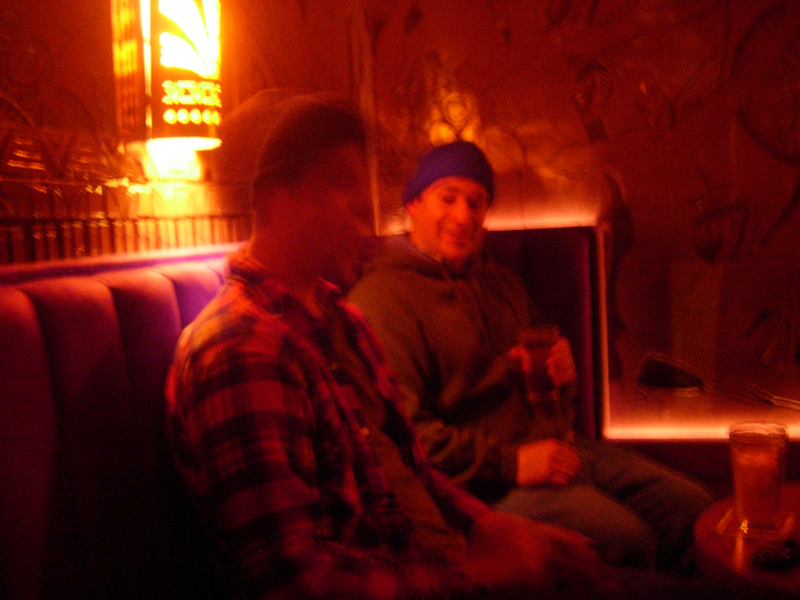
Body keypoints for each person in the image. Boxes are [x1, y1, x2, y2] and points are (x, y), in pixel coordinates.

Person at [165, 94, 613, 600]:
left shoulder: (341, 318)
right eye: (341, 183)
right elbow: (298, 582)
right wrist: (480, 574)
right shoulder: (243, 352)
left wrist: (494, 527)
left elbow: (411, 465)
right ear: (275, 197)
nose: (366, 210)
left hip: (432, 561)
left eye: (365, 189)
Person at [347, 140, 714, 573]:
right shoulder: (382, 300)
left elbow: (550, 389)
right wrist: (511, 464)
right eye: (448, 198)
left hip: (561, 450)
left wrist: (565, 375)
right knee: (626, 538)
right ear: (413, 204)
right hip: (482, 486)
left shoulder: (502, 282)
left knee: (694, 510)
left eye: (476, 202)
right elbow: (405, 436)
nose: (464, 215)